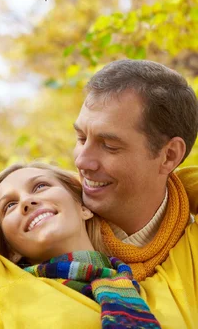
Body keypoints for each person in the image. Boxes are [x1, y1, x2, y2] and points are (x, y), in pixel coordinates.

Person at [0, 161, 165, 329]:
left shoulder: (158, 283)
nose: (27, 202)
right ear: (11, 247)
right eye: (9, 205)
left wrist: (96, 188)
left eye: (41, 186)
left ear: (83, 207)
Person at [73, 59, 198, 278]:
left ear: (169, 156)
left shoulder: (191, 254)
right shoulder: (37, 217)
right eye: (81, 139)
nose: (82, 162)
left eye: (109, 146)